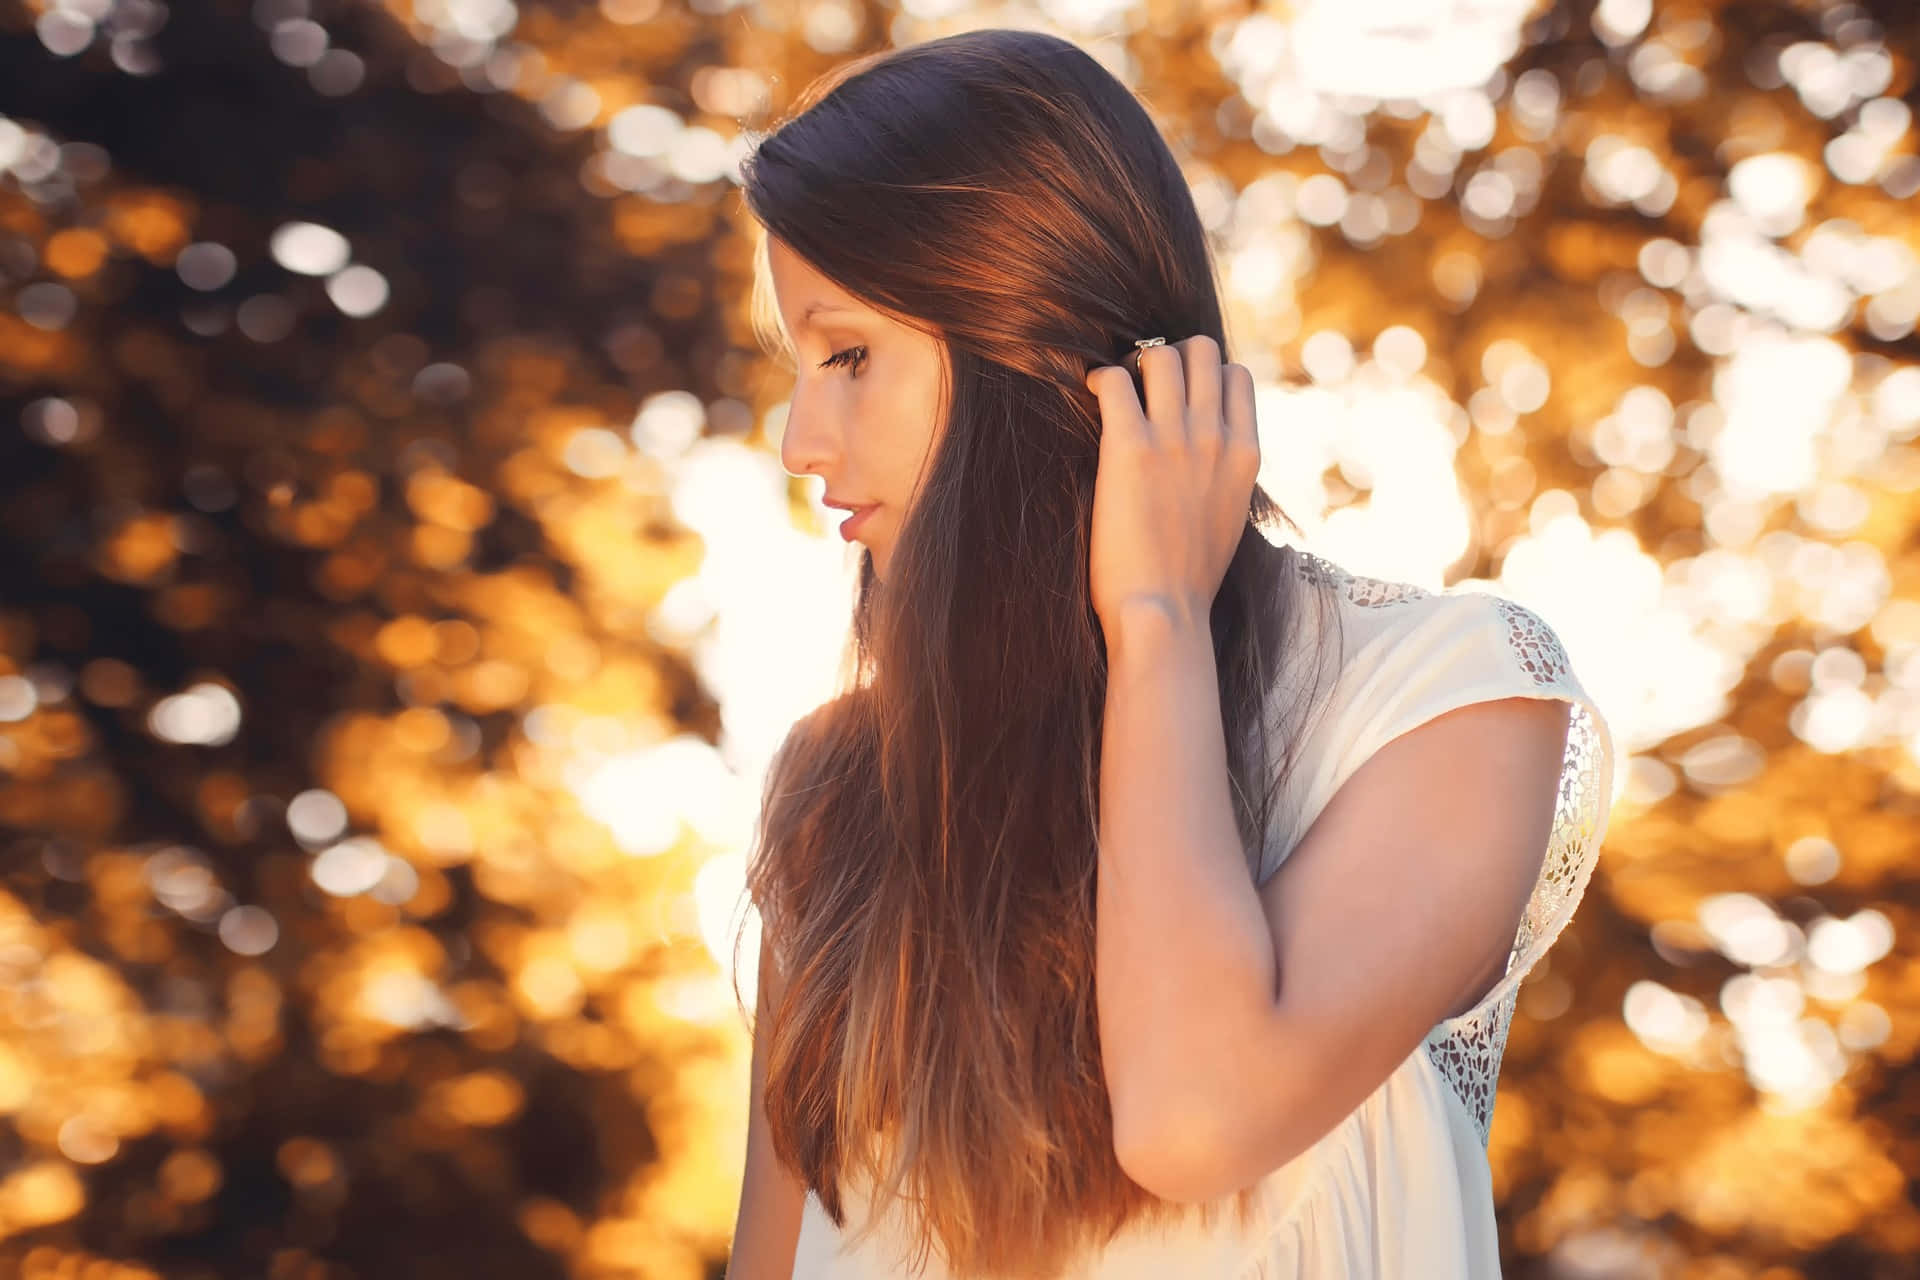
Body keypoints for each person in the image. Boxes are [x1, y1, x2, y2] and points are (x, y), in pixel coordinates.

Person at [725, 27, 1615, 1280]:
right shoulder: (843, 792)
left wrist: (1155, 623)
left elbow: (1195, 1115)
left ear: (1032, 340)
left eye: (850, 355)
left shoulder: (1450, 699)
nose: (800, 440)